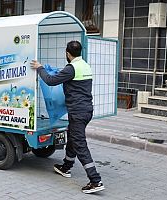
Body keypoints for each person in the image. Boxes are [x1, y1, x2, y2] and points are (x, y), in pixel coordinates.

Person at [30, 41, 104, 194]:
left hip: (77, 112)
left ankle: (95, 180)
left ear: (68, 53)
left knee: (79, 144)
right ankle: (66, 167)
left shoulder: (71, 68)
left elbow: (50, 81)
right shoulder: (85, 65)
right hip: (86, 110)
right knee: (72, 136)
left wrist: (39, 68)